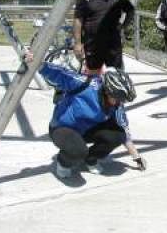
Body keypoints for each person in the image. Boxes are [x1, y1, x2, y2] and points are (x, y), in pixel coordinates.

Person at [25, 51, 147, 179]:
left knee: (118, 135)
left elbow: (125, 130)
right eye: (118, 98)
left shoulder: (116, 104)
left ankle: (90, 159)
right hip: (63, 128)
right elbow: (61, 75)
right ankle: (63, 162)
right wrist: (37, 64)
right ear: (108, 91)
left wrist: (136, 156)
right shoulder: (86, 85)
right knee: (78, 151)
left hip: (85, 130)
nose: (120, 102)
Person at [73, 0, 134, 73]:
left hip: (113, 44)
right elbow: (78, 20)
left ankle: (111, 90)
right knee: (93, 75)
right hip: (92, 44)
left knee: (115, 74)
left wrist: (123, 25)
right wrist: (78, 43)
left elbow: (130, 10)